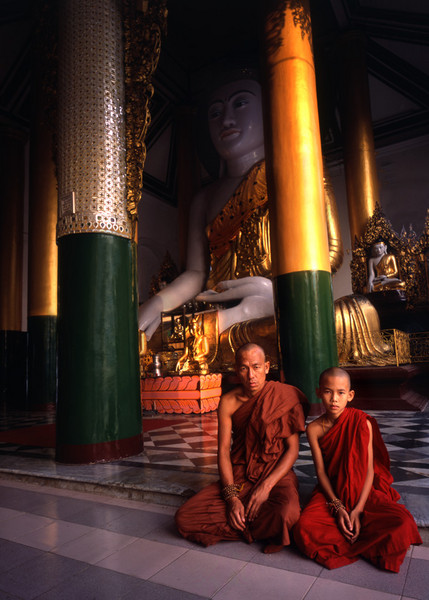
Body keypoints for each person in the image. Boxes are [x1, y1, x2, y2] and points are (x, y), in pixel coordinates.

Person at [175, 343, 308, 552]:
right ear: (237, 370)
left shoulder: (282, 396)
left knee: (286, 513)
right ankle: (254, 526)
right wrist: (231, 499)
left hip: (276, 474)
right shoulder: (228, 402)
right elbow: (223, 452)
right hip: (240, 473)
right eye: (244, 368)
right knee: (185, 517)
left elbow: (292, 450)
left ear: (266, 366)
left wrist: (266, 487)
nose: (251, 375)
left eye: (256, 367)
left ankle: (245, 524)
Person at [293, 367, 422, 572]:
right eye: (328, 391)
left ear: (350, 395)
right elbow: (321, 472)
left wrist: (359, 509)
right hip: (331, 492)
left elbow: (370, 471)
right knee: (304, 528)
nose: (334, 399)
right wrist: (338, 507)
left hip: (364, 491)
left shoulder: (362, 422)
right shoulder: (314, 429)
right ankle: (365, 541)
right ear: (318, 392)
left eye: (341, 393)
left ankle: (352, 537)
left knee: (403, 522)